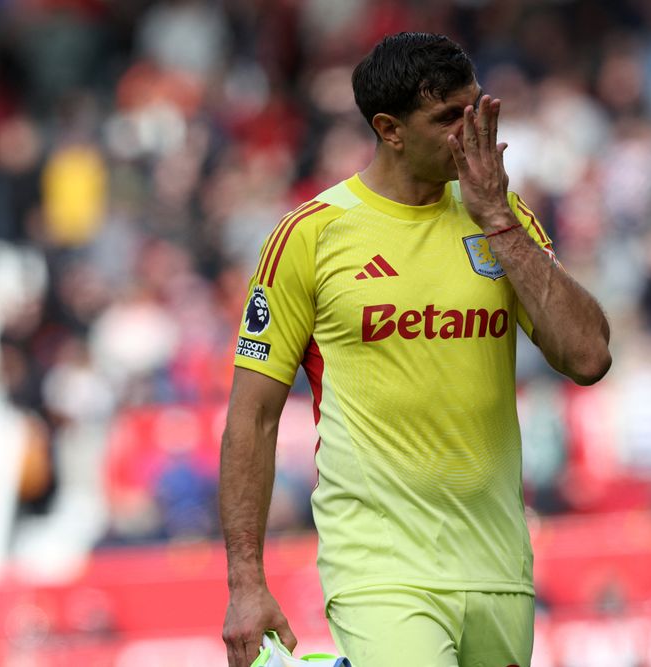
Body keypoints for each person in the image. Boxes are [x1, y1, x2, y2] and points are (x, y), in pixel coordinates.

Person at [220, 32, 611, 667]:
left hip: (499, 567)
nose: (474, 132)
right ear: (389, 129)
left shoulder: (500, 217)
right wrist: (245, 582)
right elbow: (253, 415)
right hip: (381, 570)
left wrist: (499, 222)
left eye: (478, 108)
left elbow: (589, 356)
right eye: (449, 118)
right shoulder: (311, 235)